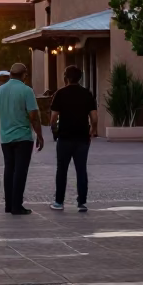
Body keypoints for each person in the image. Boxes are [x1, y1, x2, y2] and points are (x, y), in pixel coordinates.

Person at [0, 63, 44, 215]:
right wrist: (39, 136)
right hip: (23, 137)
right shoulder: (27, 91)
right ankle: (17, 205)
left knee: (9, 169)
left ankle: (8, 204)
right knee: (20, 171)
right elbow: (33, 116)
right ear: (24, 75)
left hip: (6, 137)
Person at [48, 65, 98, 213]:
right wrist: (92, 131)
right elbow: (94, 117)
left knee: (61, 170)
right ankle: (82, 202)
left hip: (65, 137)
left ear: (66, 78)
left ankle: (59, 201)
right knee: (81, 169)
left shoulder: (60, 94)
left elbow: (53, 118)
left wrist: (55, 131)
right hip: (82, 137)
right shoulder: (87, 94)